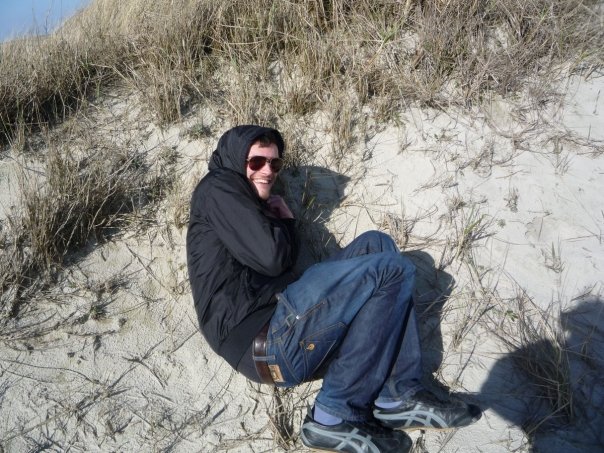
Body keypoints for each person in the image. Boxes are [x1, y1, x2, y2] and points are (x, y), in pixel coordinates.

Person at [187, 125, 481, 452]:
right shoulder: (219, 186)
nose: (267, 171)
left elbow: (277, 263)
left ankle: (395, 393)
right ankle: (332, 415)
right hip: (265, 339)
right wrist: (285, 222)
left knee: (376, 245)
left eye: (274, 163)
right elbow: (272, 259)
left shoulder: (241, 201)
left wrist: (282, 222)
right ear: (236, 160)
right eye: (256, 162)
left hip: (282, 322)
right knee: (392, 269)